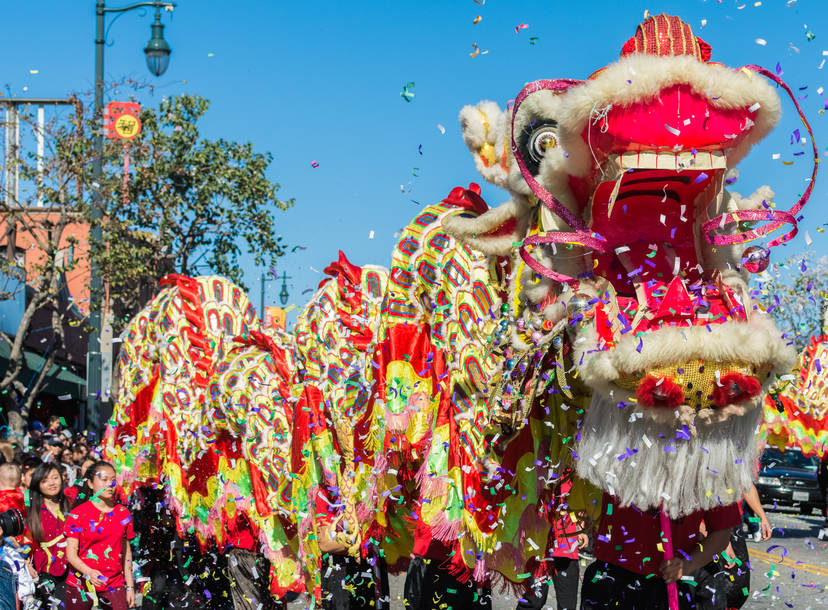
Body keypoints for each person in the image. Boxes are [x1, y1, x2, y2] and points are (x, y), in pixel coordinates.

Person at [580, 492, 739, 610]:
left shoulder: (711, 460)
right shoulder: (616, 450)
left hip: (670, 585)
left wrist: (686, 564)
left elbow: (721, 532)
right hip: (611, 578)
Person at [64, 461, 135, 610]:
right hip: (80, 583)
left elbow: (126, 552)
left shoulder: (123, 513)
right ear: (90, 483)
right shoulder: (78, 513)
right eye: (104, 480)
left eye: (113, 480)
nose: (110, 484)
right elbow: (71, 554)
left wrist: (130, 587)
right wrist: (88, 572)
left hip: (113, 582)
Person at [27, 463, 70, 609]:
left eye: (55, 478)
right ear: (37, 484)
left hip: (71, 570)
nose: (52, 483)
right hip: (44, 571)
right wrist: (27, 563)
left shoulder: (70, 504)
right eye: (45, 480)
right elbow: (25, 542)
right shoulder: (32, 511)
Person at [0, 463, 36, 610]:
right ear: (19, 479)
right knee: (21, 570)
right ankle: (27, 598)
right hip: (24, 540)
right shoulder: (24, 496)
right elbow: (28, 512)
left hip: (8, 542)